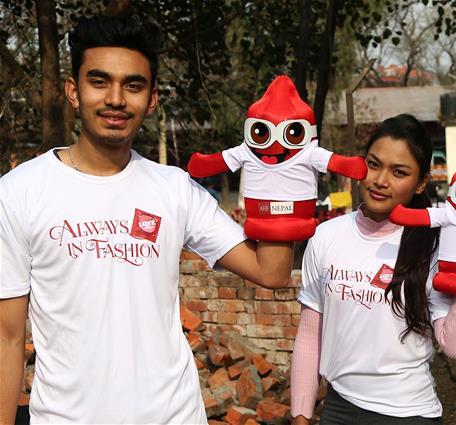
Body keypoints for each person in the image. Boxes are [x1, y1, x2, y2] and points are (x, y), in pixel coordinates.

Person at [0, 16, 295, 424]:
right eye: (99, 82)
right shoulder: (19, 192)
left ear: (152, 98)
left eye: (133, 85)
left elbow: (272, 272)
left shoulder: (174, 189)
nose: (116, 99)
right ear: (73, 90)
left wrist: (284, 174)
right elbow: (8, 337)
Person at [289, 114, 456, 425]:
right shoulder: (327, 236)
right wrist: (300, 416)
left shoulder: (437, 245)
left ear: (421, 183)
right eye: (374, 164)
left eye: (399, 172)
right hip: (338, 410)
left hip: (408, 414)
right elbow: (310, 335)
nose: (380, 180)